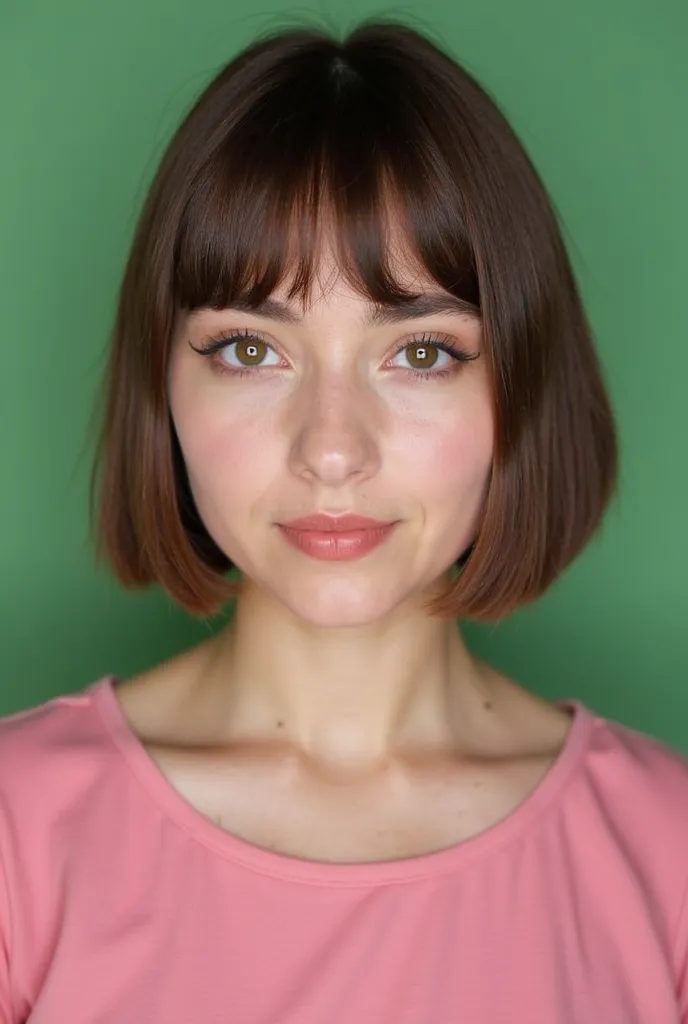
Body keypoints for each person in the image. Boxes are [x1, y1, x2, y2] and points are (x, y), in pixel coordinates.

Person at [0, 16, 686, 1023]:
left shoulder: (667, 858)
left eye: (419, 353)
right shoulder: (16, 833)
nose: (330, 449)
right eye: (247, 348)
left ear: (525, 386)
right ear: (163, 388)